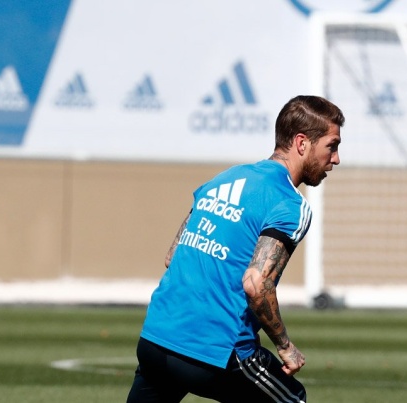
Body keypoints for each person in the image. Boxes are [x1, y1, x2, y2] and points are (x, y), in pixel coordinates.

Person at [127, 95, 344, 403]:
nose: (336, 158)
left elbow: (172, 256)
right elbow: (256, 284)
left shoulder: (224, 179)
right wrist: (285, 346)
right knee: (292, 398)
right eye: (331, 146)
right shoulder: (290, 204)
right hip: (216, 350)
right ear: (301, 143)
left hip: (155, 339)